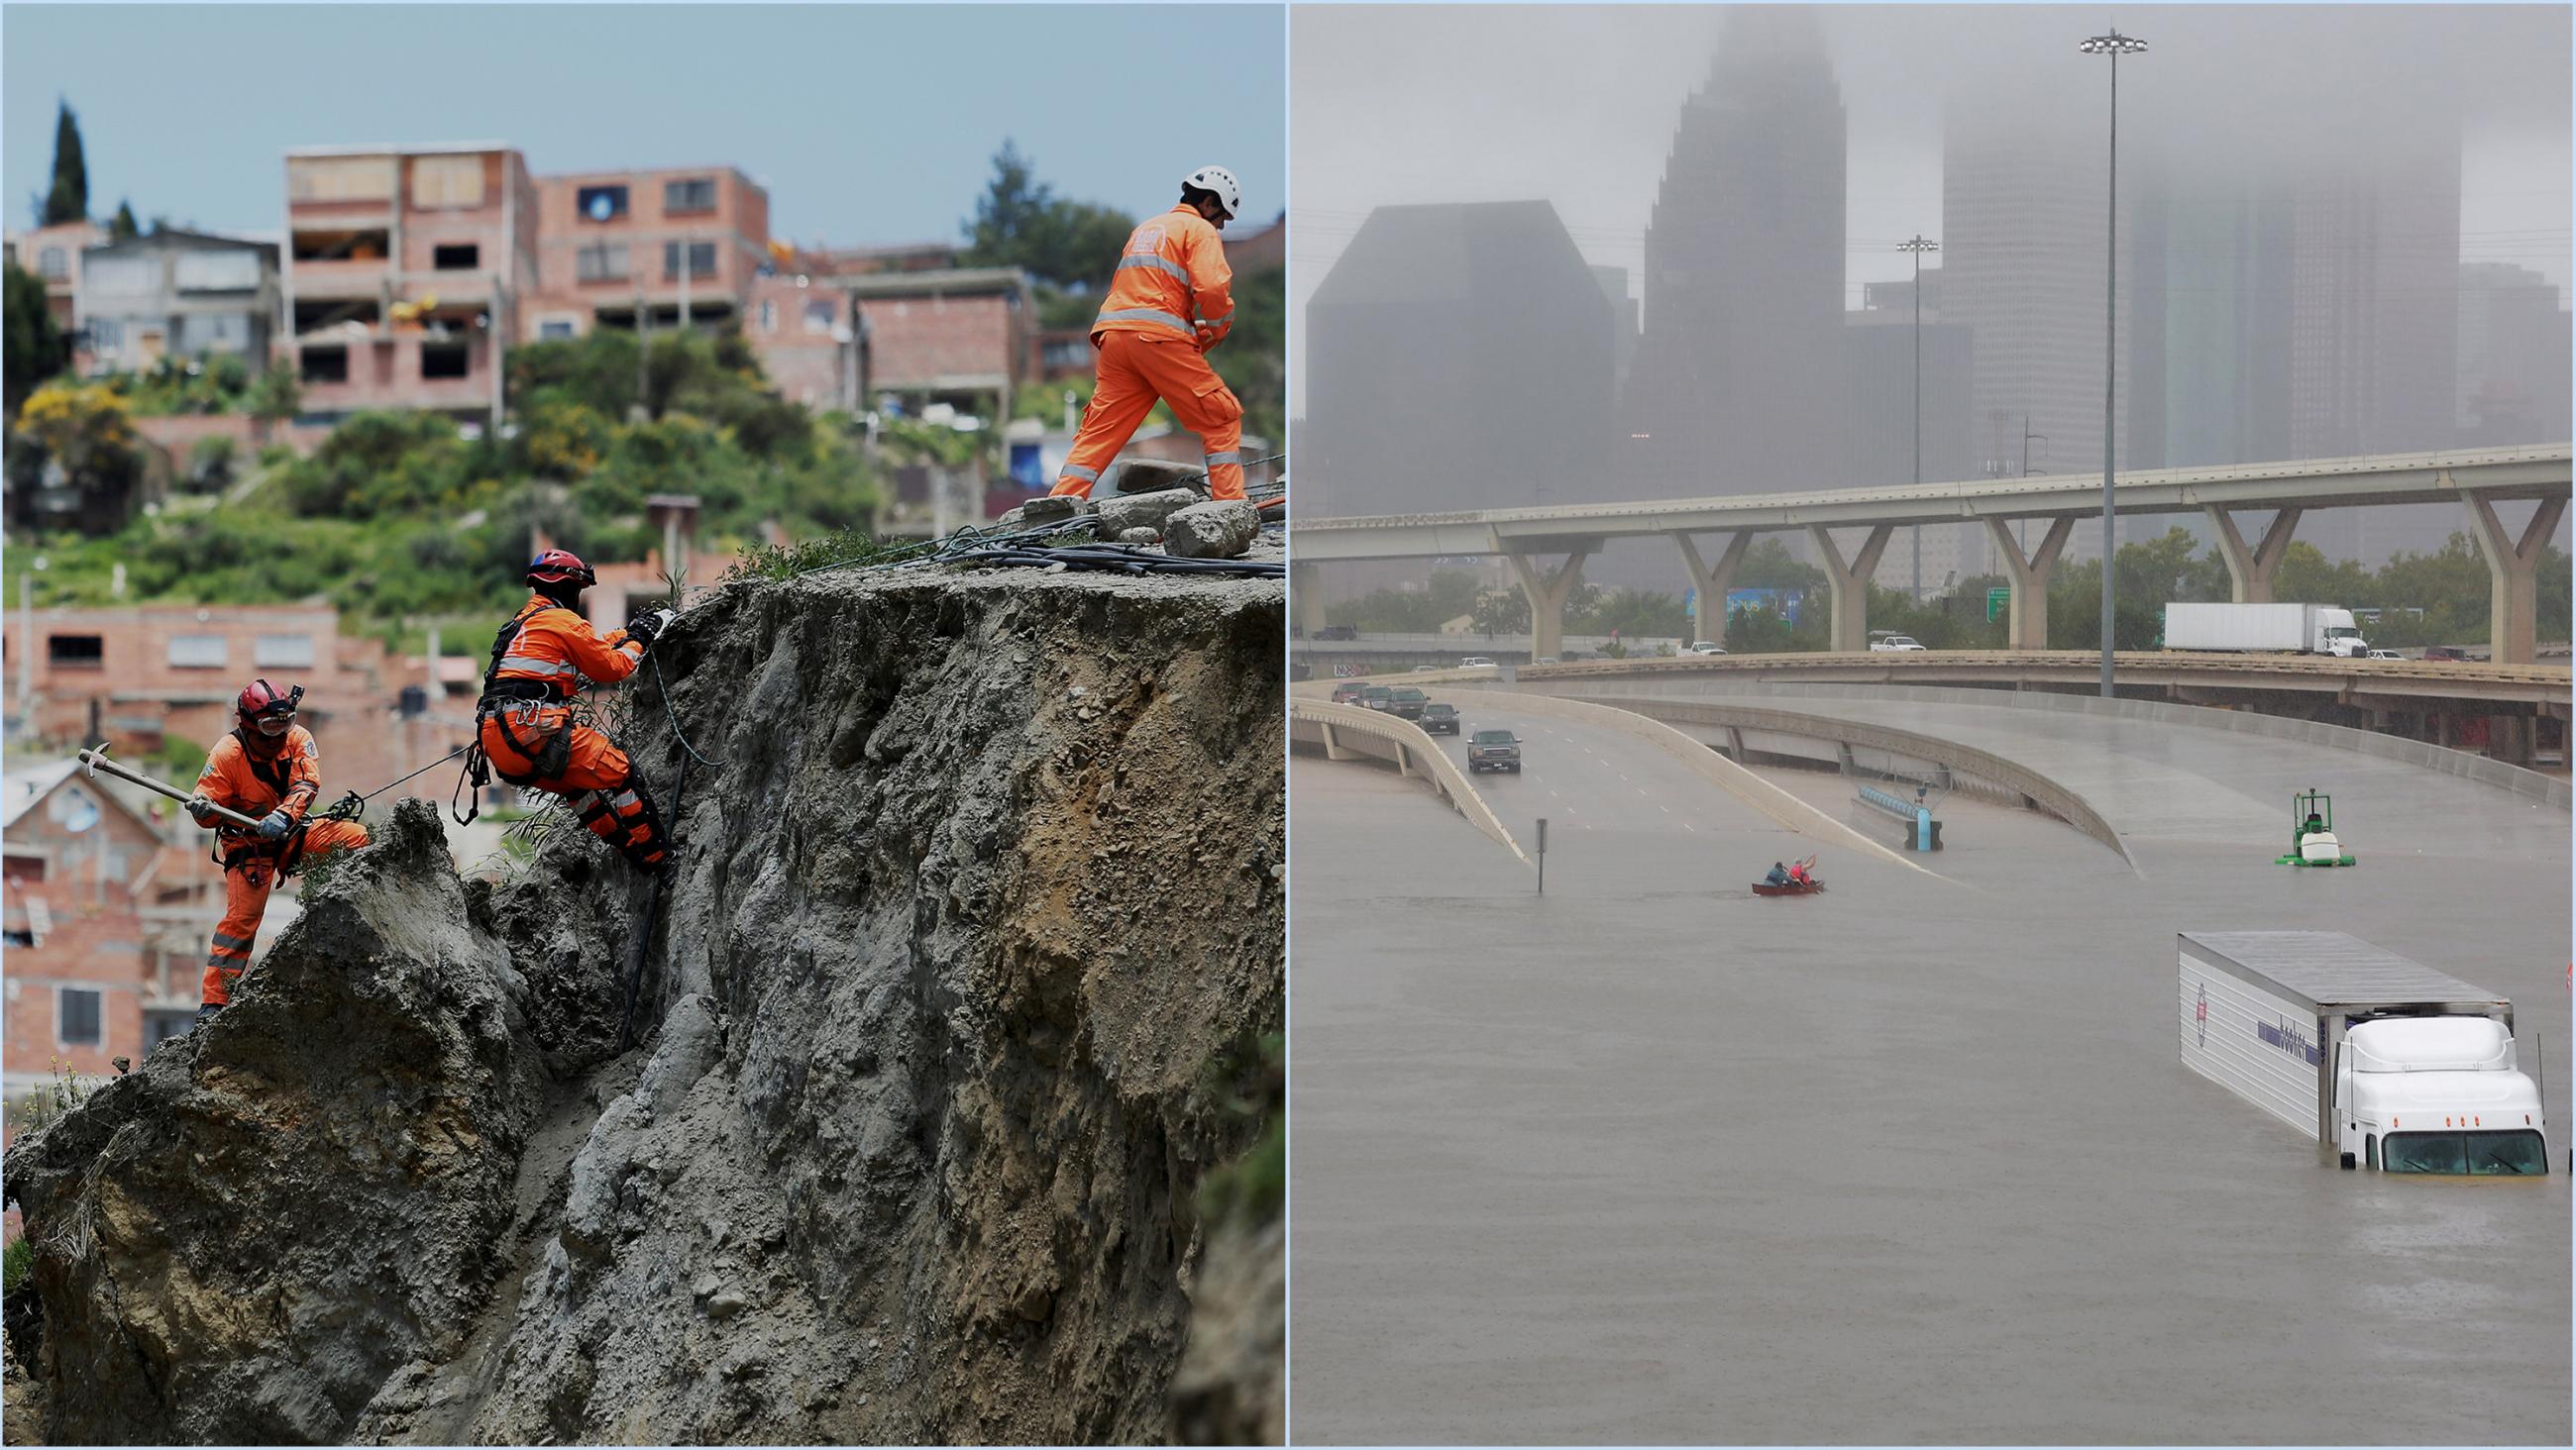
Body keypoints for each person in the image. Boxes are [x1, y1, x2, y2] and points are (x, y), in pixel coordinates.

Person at [1049, 165, 1247, 503]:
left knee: (1099, 434)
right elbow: (1212, 288)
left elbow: (1146, 294)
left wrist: (1186, 329)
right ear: (1211, 203)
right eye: (1222, 218)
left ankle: (1055, 509)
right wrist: (1218, 328)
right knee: (1221, 416)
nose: (1221, 226)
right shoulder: (1198, 229)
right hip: (1156, 340)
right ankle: (1230, 506)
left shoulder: (1146, 228)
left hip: (1115, 341)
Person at [477, 549, 676, 871]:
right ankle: (660, 860)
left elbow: (593, 645)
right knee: (623, 774)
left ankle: (632, 854)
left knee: (577, 788)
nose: (579, 597)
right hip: (534, 732)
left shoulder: (520, 624)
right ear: (566, 587)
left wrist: (630, 632)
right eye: (578, 589)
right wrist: (642, 637)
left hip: (500, 745)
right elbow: (613, 667)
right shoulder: (562, 620)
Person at [187, 678, 371, 1019]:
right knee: (241, 921)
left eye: (284, 724)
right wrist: (204, 810)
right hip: (248, 847)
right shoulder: (226, 755)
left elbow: (307, 783)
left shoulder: (298, 739)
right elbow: (207, 808)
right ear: (248, 725)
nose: (277, 735)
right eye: (270, 727)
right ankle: (214, 1002)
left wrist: (283, 816)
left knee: (359, 838)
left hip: (292, 833)